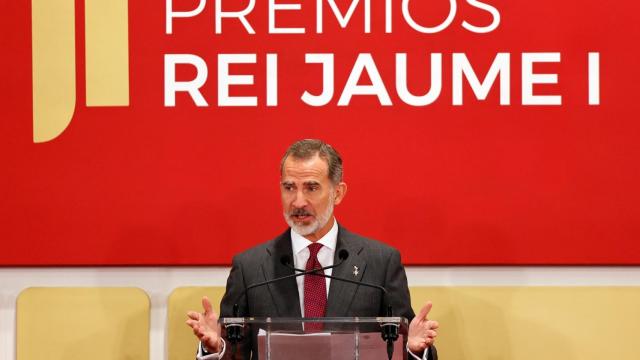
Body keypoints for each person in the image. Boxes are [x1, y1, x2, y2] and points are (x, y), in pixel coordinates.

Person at [186, 139, 439, 359]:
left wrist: (415, 350)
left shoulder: (381, 263)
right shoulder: (250, 269)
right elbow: (234, 351)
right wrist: (215, 348)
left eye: (311, 187)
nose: (298, 201)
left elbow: (403, 346)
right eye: (289, 188)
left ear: (338, 193)